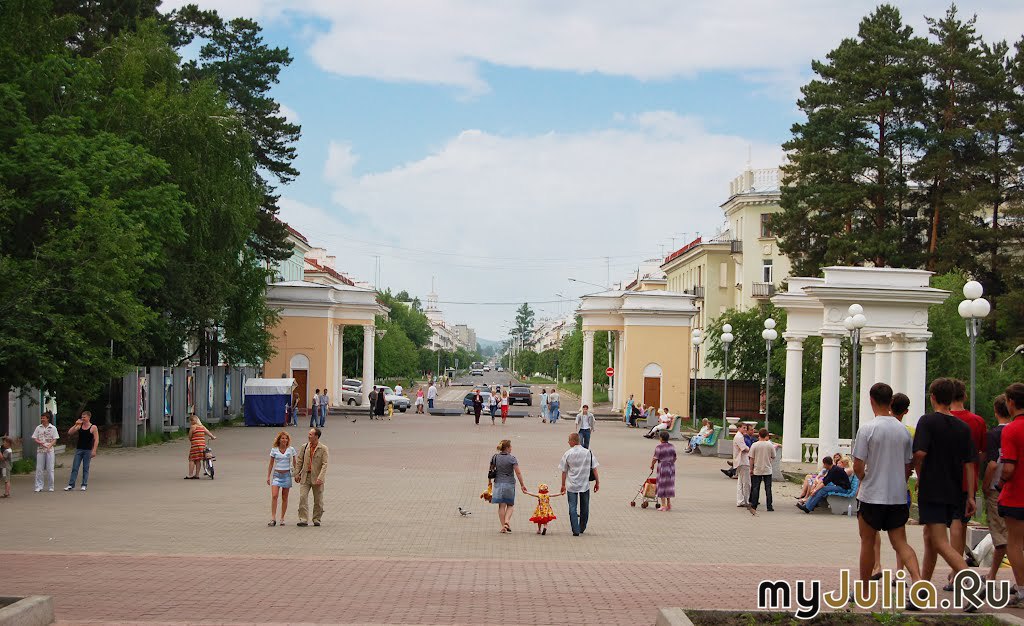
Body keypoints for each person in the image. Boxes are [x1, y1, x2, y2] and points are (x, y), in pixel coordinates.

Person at [853, 383, 923, 590]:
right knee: (900, 543)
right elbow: (908, 466)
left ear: (871, 400)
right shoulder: (903, 431)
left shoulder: (867, 429)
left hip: (871, 495)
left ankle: (864, 589)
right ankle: (918, 581)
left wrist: (865, 478)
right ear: (891, 401)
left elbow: (858, 466)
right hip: (897, 497)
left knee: (867, 542)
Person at [913, 378, 976, 590]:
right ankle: (923, 589)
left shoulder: (927, 421)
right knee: (929, 537)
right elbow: (970, 463)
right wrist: (970, 496)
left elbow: (920, 453)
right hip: (955, 490)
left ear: (932, 397)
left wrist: (920, 475)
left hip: (933, 489)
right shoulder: (963, 427)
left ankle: (972, 581)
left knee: (939, 541)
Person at [949, 379, 986, 567]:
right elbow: (981, 453)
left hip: (946, 478)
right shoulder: (977, 421)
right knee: (962, 524)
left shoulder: (942, 419)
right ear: (964, 395)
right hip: (968, 480)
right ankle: (959, 565)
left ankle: (956, 567)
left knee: (952, 524)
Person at [997, 382, 1024, 607]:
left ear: (1011, 402)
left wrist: (1000, 484)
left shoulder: (1011, 430)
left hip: (1016, 495)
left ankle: (1022, 590)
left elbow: (1008, 468)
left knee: (1014, 544)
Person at [981, 394, 1012, 586]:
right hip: (1015, 488)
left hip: (996, 488)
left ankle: (992, 575)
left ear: (995, 411)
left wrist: (985, 485)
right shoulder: (1017, 431)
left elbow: (992, 464)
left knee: (1001, 536)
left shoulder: (993, 435)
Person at [559, 432, 599, 536]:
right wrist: (597, 482)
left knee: (572, 507)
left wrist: (563, 485)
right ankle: (582, 527)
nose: (568, 442)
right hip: (584, 484)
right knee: (585, 507)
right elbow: (594, 468)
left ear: (573, 441)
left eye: (569, 440)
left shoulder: (567, 454)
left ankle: (575, 530)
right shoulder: (588, 453)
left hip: (571, 485)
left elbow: (564, 471)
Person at [489, 439, 527, 533]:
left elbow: (490, 470)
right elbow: (518, 472)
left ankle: (503, 527)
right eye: (510, 447)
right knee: (510, 505)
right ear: (507, 448)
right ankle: (507, 521)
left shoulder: (495, 457)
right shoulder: (512, 458)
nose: (511, 448)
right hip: (509, 484)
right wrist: (522, 485)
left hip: (498, 484)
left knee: (501, 506)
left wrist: (489, 482)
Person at [294, 427, 328, 527]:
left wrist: (320, 477)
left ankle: (316, 518)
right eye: (309, 434)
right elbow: (299, 461)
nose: (308, 436)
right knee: (303, 497)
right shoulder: (304, 447)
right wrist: (296, 473)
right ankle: (303, 519)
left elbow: (325, 464)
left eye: (310, 434)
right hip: (305, 476)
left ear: (316, 436)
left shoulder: (323, 448)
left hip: (317, 478)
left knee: (318, 500)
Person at [266, 431, 296, 526]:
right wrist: (268, 476)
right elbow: (271, 463)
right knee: (274, 496)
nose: (284, 440)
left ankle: (282, 518)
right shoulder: (274, 450)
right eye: (282, 438)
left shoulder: (291, 449)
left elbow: (295, 463)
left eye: (286, 438)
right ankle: (273, 518)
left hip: (287, 475)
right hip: (277, 475)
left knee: (284, 497)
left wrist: (296, 474)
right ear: (279, 439)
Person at [65, 411, 98, 491]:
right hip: (79, 449)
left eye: (84, 417)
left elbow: (96, 439)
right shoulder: (79, 426)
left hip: (88, 450)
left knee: (85, 468)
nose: (82, 418)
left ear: (88, 417)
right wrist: (76, 424)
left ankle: (84, 484)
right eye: (82, 417)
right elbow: (70, 432)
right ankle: (71, 484)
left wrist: (94, 450)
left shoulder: (93, 427)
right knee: (75, 467)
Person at [748, 428, 775, 512]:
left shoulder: (754, 445)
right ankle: (769, 506)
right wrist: (769, 461)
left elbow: (751, 458)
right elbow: (773, 456)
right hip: (767, 469)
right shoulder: (770, 445)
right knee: (768, 488)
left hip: (757, 469)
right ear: (767, 435)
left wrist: (751, 469)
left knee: (756, 487)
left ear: (759, 435)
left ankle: (754, 505)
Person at [651, 429, 677, 511]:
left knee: (662, 484)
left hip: (662, 467)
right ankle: (669, 504)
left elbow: (655, 458)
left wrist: (652, 465)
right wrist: (671, 463)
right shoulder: (672, 446)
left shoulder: (659, 447)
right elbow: (675, 457)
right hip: (671, 467)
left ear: (661, 438)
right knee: (669, 485)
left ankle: (663, 505)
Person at [32, 413, 59, 492]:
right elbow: (35, 438)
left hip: (49, 450)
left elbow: (55, 439)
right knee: (39, 468)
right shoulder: (38, 427)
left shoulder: (53, 428)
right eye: (41, 418)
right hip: (40, 450)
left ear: (48, 419)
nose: (42, 419)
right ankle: (39, 486)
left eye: (44, 418)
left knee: (50, 468)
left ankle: (51, 486)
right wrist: (40, 442)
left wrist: (49, 446)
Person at [185, 415, 215, 480]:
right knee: (198, 460)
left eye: (191, 421)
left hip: (195, 445)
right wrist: (212, 437)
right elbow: (208, 432)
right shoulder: (202, 427)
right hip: (202, 445)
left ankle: (190, 475)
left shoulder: (193, 427)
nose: (190, 422)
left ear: (192, 421)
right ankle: (197, 475)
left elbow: (190, 436)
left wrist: (191, 440)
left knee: (192, 459)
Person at [733, 424, 751, 508]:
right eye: (743, 428)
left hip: (741, 461)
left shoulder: (740, 436)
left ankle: (741, 500)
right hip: (743, 461)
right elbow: (744, 448)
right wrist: (750, 449)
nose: (745, 429)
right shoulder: (739, 437)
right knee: (746, 483)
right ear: (739, 428)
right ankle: (746, 500)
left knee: (740, 482)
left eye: (746, 428)